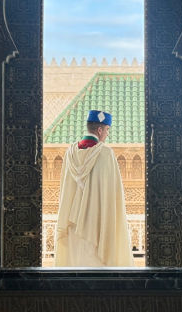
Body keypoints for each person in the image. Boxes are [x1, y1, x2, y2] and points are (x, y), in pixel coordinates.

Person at [54, 110, 134, 267]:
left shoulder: (70, 153)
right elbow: (112, 195)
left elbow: (64, 191)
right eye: (107, 130)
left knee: (75, 272)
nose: (107, 134)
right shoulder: (106, 154)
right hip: (97, 229)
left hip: (71, 226)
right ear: (99, 130)